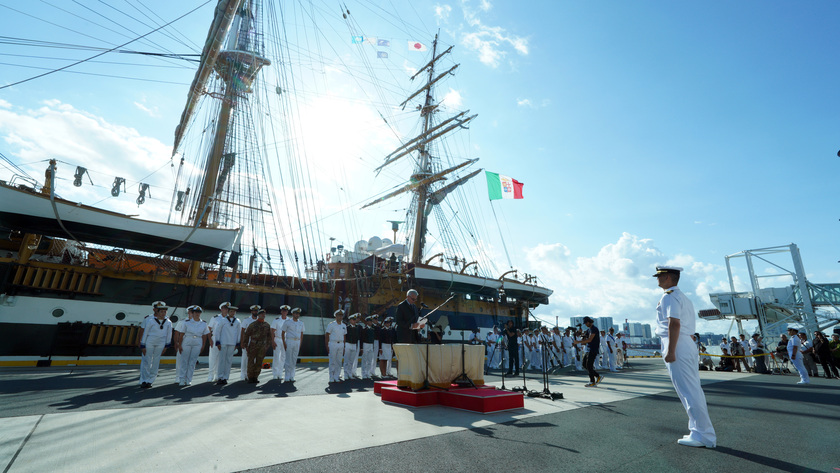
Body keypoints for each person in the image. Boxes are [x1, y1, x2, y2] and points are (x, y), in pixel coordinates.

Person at [653, 265, 716, 448]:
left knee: (688, 391)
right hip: (685, 342)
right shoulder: (682, 297)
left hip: (677, 343)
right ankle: (699, 431)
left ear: (668, 278)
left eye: (660, 275)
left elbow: (674, 324)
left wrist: (671, 351)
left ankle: (703, 435)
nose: (657, 278)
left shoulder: (669, 296)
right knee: (692, 390)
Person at [138, 301, 173, 388]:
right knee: (147, 360)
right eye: (161, 311)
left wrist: (166, 346)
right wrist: (143, 345)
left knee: (156, 361)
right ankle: (144, 380)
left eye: (165, 312)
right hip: (150, 341)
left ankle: (151, 380)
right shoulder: (150, 321)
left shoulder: (168, 322)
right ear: (157, 312)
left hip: (160, 343)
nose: (163, 313)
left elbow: (169, 335)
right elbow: (145, 332)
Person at [175, 305, 210, 386]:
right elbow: (182, 334)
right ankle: (182, 379)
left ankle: (188, 379)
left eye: (199, 312)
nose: (197, 314)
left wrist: (203, 345)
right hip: (187, 340)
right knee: (184, 361)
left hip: (198, 341)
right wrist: (180, 345)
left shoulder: (204, 323)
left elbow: (205, 335)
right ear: (192, 313)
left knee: (192, 362)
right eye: (195, 312)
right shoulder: (186, 322)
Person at [214, 304, 241, 385]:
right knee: (222, 360)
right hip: (223, 342)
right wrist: (218, 341)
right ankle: (220, 377)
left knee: (229, 360)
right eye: (231, 311)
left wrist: (237, 342)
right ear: (228, 312)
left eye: (234, 311)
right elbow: (218, 331)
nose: (233, 313)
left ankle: (225, 377)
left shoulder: (237, 321)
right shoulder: (223, 320)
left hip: (232, 342)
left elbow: (239, 332)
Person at [243, 309, 272, 383]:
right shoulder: (253, 324)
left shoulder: (267, 325)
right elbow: (246, 335)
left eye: (264, 314)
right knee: (251, 361)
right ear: (258, 315)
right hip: (253, 345)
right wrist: (245, 344)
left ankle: (255, 377)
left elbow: (269, 336)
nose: (263, 315)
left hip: (262, 346)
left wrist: (267, 345)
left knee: (259, 362)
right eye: (262, 314)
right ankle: (250, 377)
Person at [574, 317, 602, 387]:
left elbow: (589, 340)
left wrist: (578, 342)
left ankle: (592, 381)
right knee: (584, 364)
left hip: (593, 349)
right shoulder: (588, 330)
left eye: (586, 323)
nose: (585, 324)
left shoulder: (594, 329)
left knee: (589, 365)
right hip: (588, 349)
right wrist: (580, 333)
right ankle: (598, 376)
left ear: (589, 322)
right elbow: (584, 337)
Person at [206, 303, 229, 382]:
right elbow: (209, 329)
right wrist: (210, 340)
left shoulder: (230, 319)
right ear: (221, 309)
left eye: (226, 308)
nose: (225, 310)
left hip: (225, 340)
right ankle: (210, 376)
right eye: (224, 308)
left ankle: (217, 375)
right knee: (213, 358)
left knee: (221, 359)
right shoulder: (215, 318)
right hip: (215, 338)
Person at [282, 308, 305, 382]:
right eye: (296, 313)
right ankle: (287, 376)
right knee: (288, 359)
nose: (297, 315)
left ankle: (292, 376)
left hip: (297, 342)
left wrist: (300, 343)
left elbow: (301, 334)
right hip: (289, 341)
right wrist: (284, 344)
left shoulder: (301, 323)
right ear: (292, 314)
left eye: (298, 314)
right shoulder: (287, 322)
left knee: (294, 359)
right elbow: (282, 333)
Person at [239, 305, 261, 381]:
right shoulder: (246, 320)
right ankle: (243, 374)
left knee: (254, 360)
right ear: (251, 311)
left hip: (256, 342)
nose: (255, 312)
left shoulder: (260, 320)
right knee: (245, 358)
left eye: (257, 311)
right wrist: (242, 342)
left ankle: (251, 375)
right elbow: (242, 331)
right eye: (254, 311)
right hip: (247, 341)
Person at [325, 310, 347, 383]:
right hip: (333, 343)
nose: (340, 317)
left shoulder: (344, 325)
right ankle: (331, 376)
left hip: (341, 344)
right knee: (332, 361)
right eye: (339, 315)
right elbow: (327, 335)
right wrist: (327, 345)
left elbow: (344, 336)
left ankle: (336, 376)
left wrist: (344, 346)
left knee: (339, 361)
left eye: (341, 315)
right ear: (336, 316)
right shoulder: (331, 325)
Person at [270, 305, 290, 380]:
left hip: (285, 340)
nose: (284, 312)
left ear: (287, 312)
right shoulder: (276, 320)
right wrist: (272, 341)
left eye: (286, 311)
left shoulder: (289, 321)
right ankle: (275, 374)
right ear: (281, 311)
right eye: (283, 311)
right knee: (276, 356)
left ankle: (280, 373)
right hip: (277, 339)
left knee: (283, 357)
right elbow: (272, 330)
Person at [343, 313, 361, 380]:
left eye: (355, 320)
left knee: (351, 361)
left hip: (354, 344)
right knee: (346, 360)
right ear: (350, 320)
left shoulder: (357, 328)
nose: (354, 321)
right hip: (348, 344)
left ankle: (349, 373)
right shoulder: (347, 327)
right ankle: (345, 374)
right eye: (353, 320)